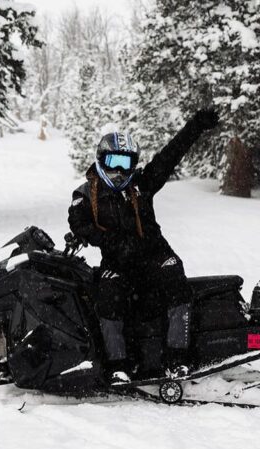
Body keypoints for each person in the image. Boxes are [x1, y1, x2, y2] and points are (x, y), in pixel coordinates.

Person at [67, 107, 220, 384]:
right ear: (101, 160)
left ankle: (177, 359)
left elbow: (170, 155)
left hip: (155, 253)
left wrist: (195, 126)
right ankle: (118, 365)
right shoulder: (85, 194)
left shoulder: (142, 185)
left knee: (176, 279)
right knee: (108, 294)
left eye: (126, 164)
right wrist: (106, 239)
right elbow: (78, 222)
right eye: (113, 161)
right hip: (117, 261)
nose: (118, 170)